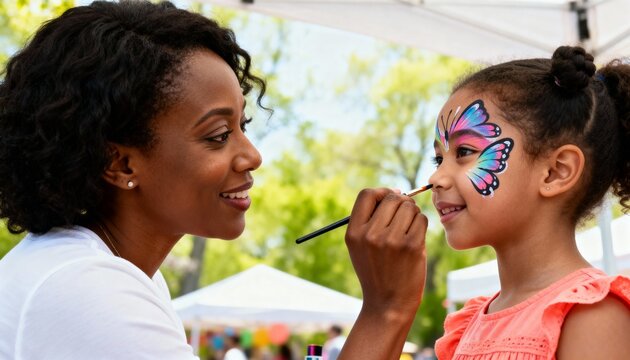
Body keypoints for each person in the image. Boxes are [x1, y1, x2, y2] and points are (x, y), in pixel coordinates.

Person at [0, 1, 427, 359]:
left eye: (244, 125)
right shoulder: (84, 288)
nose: (253, 156)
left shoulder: (118, 274)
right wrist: (386, 308)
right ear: (122, 165)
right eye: (218, 136)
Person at [430, 46, 630, 359]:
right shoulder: (467, 327)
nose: (436, 178)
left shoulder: (591, 316)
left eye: (464, 152)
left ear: (556, 171)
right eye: (438, 158)